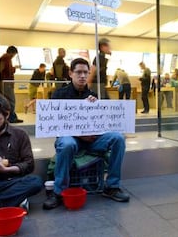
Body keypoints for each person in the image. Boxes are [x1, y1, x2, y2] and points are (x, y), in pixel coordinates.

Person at [43, 58, 130, 210]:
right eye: (78, 72)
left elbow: (101, 121)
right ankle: (58, 192)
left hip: (93, 139)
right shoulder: (59, 94)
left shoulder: (92, 95)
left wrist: (97, 108)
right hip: (71, 139)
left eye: (85, 72)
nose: (82, 75)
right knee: (67, 143)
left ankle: (112, 186)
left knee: (118, 138)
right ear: (71, 73)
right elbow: (55, 125)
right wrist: (79, 135)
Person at [0, 45, 23, 123]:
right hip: (6, 83)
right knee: (11, 100)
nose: (14, 56)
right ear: (12, 53)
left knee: (8, 100)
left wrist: (13, 68)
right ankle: (11, 117)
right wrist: (14, 68)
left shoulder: (4, 58)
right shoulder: (6, 59)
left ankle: (10, 117)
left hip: (5, 82)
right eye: (14, 54)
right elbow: (4, 71)